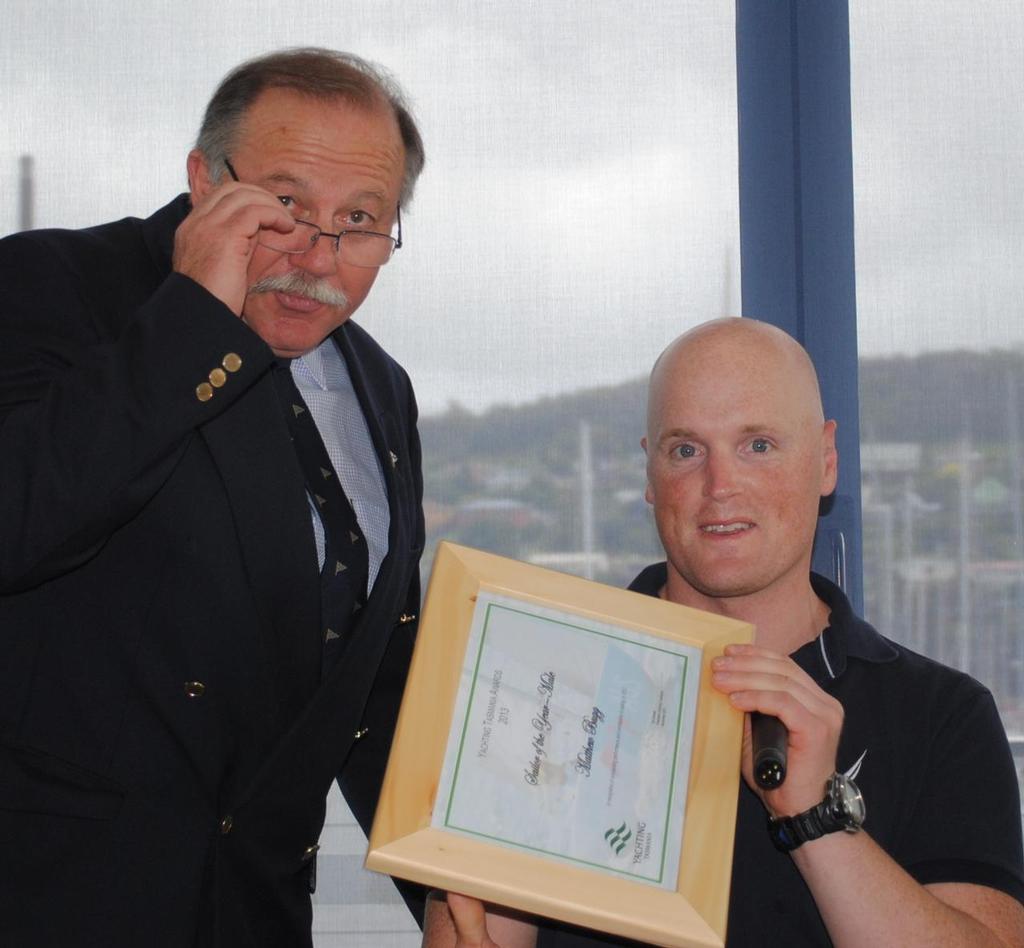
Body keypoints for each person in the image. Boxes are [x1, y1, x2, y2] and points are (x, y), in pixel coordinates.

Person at [0, 48, 426, 947]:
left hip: (258, 915)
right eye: (284, 206)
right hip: (52, 904)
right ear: (203, 180)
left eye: (361, 219)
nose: (319, 255)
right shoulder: (48, 285)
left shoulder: (382, 388)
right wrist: (194, 315)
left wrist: (462, 886)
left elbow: (371, 690)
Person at [424, 318, 1024, 947]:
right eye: (686, 450)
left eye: (758, 445)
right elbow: (472, 933)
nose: (720, 486)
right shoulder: (543, 685)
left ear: (825, 462)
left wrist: (816, 815)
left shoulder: (942, 715)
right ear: (650, 475)